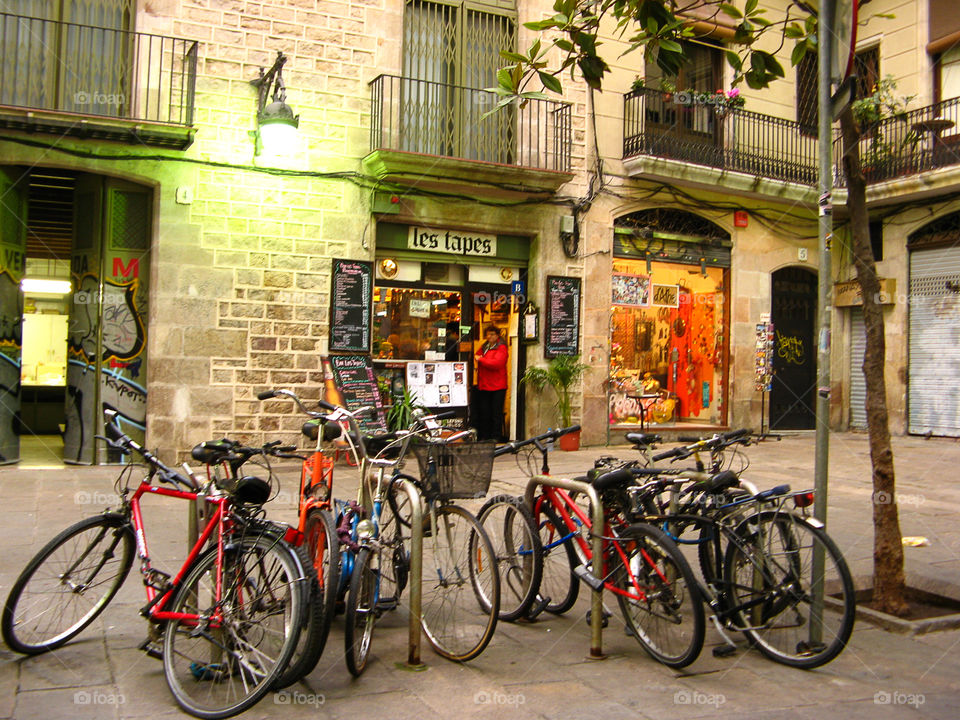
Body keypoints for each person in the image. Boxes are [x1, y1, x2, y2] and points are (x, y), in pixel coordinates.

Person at [473, 326, 508, 442]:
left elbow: (497, 363)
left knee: (496, 413)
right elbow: (476, 355)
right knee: (485, 413)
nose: (489, 337)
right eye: (488, 334)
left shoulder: (501, 347)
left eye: (492, 334)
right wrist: (480, 359)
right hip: (484, 384)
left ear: (498, 335)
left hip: (498, 385)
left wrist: (482, 360)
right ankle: (485, 436)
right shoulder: (485, 346)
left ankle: (496, 436)